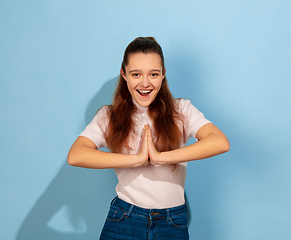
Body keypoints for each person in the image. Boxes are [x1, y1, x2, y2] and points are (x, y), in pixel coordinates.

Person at [67, 36, 230, 240]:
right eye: (136, 74)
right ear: (124, 74)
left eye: (153, 74)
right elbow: (76, 155)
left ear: (163, 75)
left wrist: (161, 157)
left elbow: (220, 142)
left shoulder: (182, 110)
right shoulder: (109, 116)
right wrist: (137, 159)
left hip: (172, 221)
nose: (145, 83)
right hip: (124, 219)